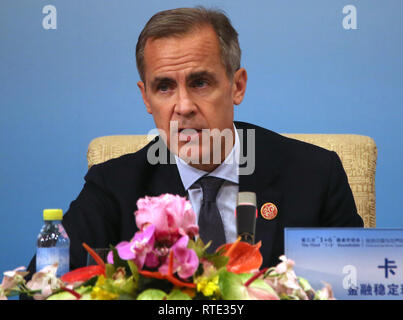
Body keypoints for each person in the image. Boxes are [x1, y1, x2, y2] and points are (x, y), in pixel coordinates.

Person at [25, 7, 363, 279]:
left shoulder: (315, 175)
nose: (183, 106)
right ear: (146, 98)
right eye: (164, 87)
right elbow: (41, 286)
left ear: (237, 86)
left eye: (200, 83)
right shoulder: (114, 187)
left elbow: (356, 284)